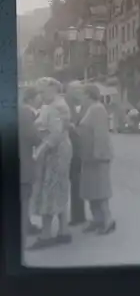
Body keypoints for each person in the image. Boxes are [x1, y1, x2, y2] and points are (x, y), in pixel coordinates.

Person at [29, 78, 73, 250]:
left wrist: (39, 150)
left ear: (52, 89)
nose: (40, 95)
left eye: (42, 91)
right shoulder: (55, 105)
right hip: (59, 151)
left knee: (49, 191)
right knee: (59, 190)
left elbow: (55, 134)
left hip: (56, 153)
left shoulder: (57, 106)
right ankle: (64, 231)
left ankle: (46, 235)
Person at [78, 84, 115, 235]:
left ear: (88, 95)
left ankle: (108, 220)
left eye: (83, 94)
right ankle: (97, 219)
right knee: (91, 190)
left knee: (100, 190)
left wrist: (98, 154)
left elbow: (100, 134)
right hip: (88, 156)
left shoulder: (97, 109)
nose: (81, 97)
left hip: (97, 157)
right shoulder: (90, 109)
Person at [18, 86, 42, 248]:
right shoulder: (26, 113)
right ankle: (23, 227)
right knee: (25, 195)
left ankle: (26, 223)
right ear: (32, 98)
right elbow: (33, 137)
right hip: (23, 161)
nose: (40, 99)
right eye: (38, 96)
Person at [65, 81, 87, 226]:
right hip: (67, 150)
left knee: (79, 184)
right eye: (75, 89)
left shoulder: (86, 105)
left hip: (81, 152)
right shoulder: (65, 106)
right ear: (69, 91)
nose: (79, 92)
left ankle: (79, 216)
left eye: (80, 89)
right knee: (69, 184)